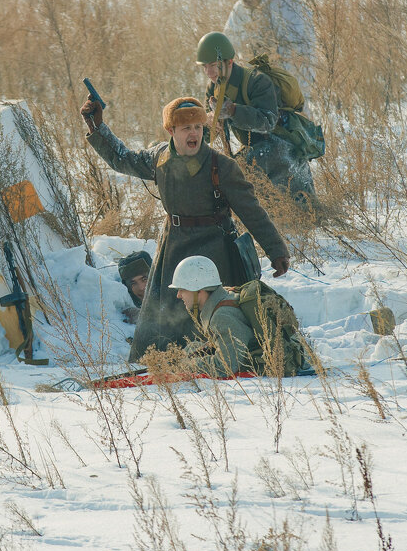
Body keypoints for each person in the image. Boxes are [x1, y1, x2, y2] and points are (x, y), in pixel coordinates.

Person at [82, 95, 290, 362]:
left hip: (214, 252)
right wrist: (97, 127)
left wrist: (276, 250)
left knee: (213, 315)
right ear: (171, 131)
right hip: (173, 248)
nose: (194, 134)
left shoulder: (221, 166)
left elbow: (251, 210)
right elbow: (122, 159)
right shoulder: (159, 158)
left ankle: (219, 362)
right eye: (186, 129)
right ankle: (158, 366)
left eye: (198, 128)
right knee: (158, 323)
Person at [198, 31, 316, 205]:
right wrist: (203, 124)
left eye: (214, 65)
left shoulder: (257, 81)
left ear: (229, 62)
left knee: (304, 211)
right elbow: (210, 136)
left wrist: (233, 111)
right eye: (204, 67)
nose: (208, 72)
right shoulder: (214, 87)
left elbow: (268, 122)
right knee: (227, 172)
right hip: (258, 149)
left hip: (284, 148)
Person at [222, 0, 317, 94]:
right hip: (256, 72)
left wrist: (278, 68)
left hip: (287, 71)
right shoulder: (239, 10)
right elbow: (230, 38)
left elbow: (295, 45)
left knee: (291, 104)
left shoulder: (281, 6)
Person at [170, 255, 257, 377]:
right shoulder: (224, 298)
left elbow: (225, 366)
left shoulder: (222, 317)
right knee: (192, 348)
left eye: (182, 289)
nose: (178, 295)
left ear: (198, 290)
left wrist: (187, 365)